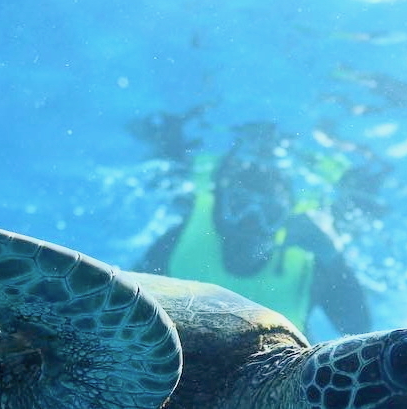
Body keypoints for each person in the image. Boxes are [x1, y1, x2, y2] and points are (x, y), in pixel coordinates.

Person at [138, 122, 371, 339]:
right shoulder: (181, 239)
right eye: (239, 204)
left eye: (270, 212)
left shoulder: (310, 264)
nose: (252, 221)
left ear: (286, 217)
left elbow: (358, 327)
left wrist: (332, 257)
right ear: (220, 205)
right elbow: (130, 302)